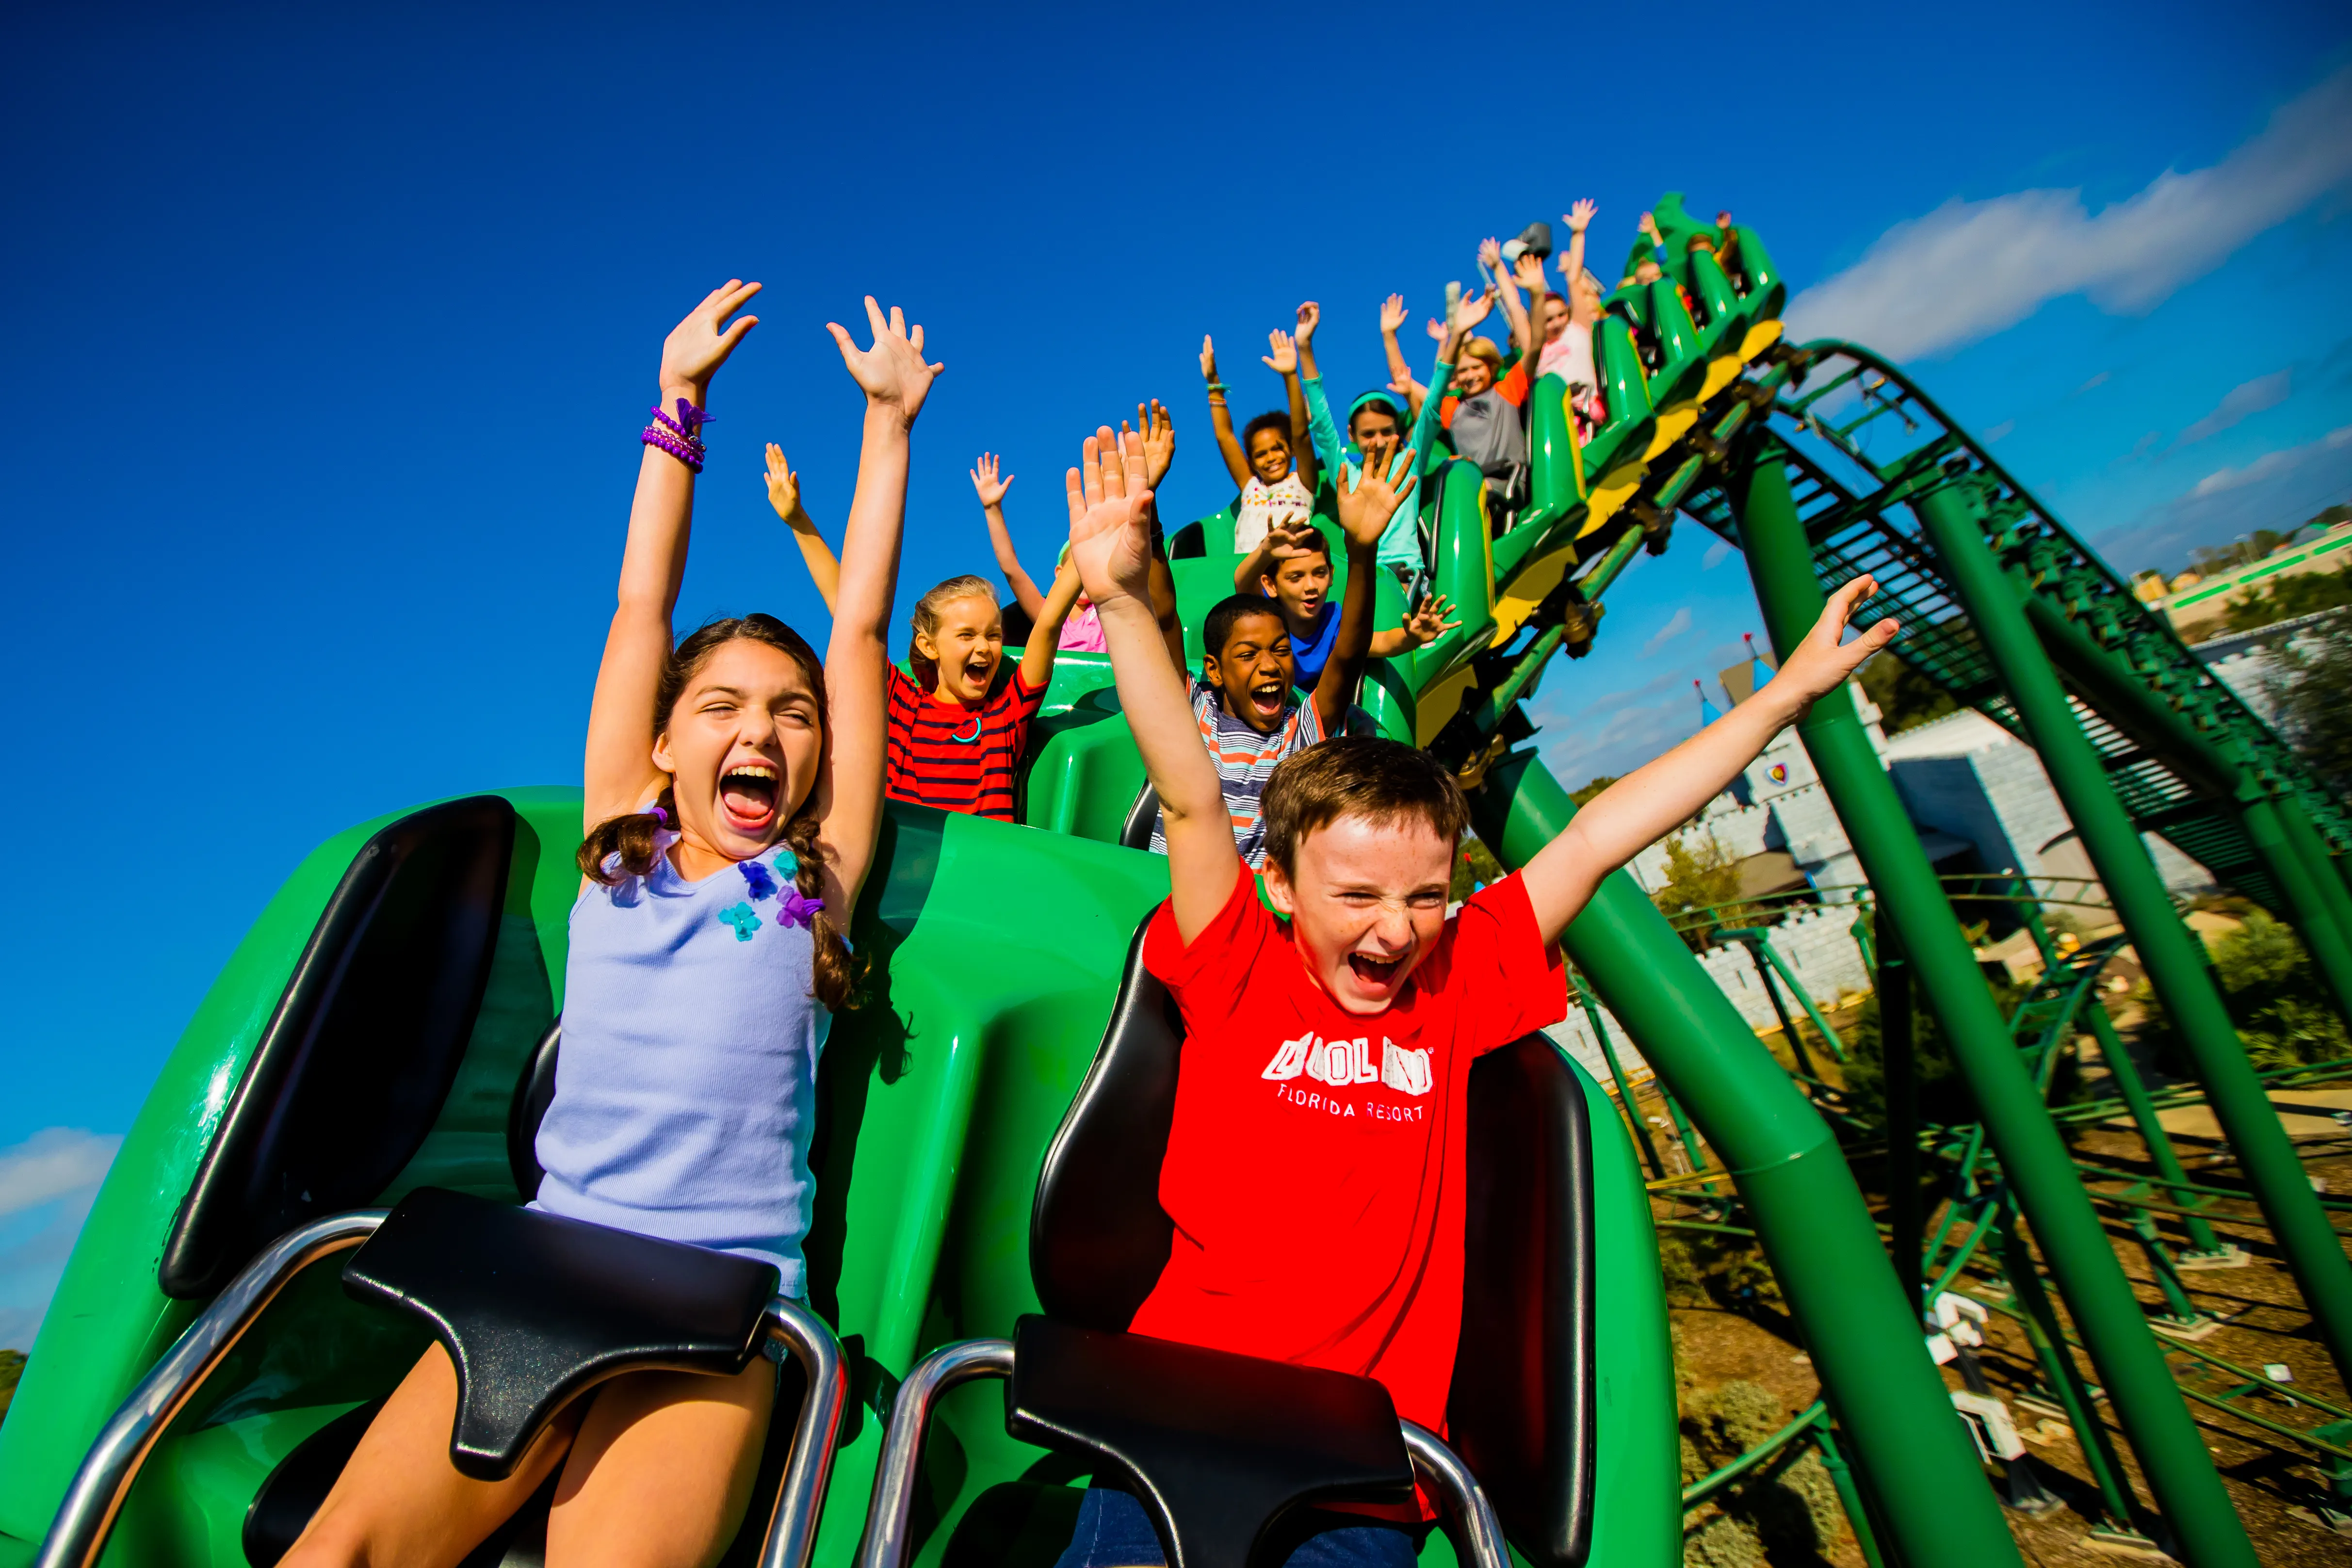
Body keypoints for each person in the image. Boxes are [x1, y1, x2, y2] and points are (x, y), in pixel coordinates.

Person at [1059, 422, 1898, 1555]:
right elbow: (1194, 795)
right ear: (1280, 881)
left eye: (1424, 893)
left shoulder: (1458, 967)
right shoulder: (1234, 957)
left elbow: (1598, 833)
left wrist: (1780, 695)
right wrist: (1116, 597)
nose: (1395, 928)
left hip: (1359, 1453)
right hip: (1178, 1401)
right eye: (1355, 893)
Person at [278, 287, 934, 1568]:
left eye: (794, 713)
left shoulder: (813, 886)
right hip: (546, 1261)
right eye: (726, 705)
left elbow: (858, 628)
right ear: (660, 743)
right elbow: (644, 607)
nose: (763, 731)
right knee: (339, 1553)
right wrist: (678, 403)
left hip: (713, 1299)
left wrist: (889, 429)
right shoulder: (616, 853)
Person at [1114, 423, 1417, 867]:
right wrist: (1148, 503)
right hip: (1175, 893)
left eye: (1279, 650)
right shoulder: (1193, 714)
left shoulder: (1301, 732)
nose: (1270, 665)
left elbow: (1347, 654)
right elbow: (1162, 616)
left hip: (1258, 908)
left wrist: (1362, 551)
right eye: (1248, 654)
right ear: (1214, 671)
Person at [1231, 520, 1458, 684]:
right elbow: (1242, 584)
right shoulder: (1269, 618)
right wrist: (1265, 551)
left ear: (1331, 575)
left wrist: (1412, 637)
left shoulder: (1333, 623)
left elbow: (1381, 642)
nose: (1310, 586)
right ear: (1271, 585)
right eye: (1296, 577)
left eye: (1319, 573)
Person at [971, 452, 1105, 652]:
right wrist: (992, 509)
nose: (1088, 574)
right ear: (1060, 572)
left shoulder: (1106, 612)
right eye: (1080, 567)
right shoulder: (1050, 617)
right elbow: (1012, 570)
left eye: (1097, 567)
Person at [1203, 331, 1320, 554]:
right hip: (1252, 577)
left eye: (1278, 449)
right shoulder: (1251, 488)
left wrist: (1290, 375)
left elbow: (1301, 434)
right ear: (1252, 462)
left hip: (1290, 570)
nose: (1271, 458)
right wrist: (1213, 383)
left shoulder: (1303, 483)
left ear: (1292, 450)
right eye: (1261, 454)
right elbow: (1225, 436)